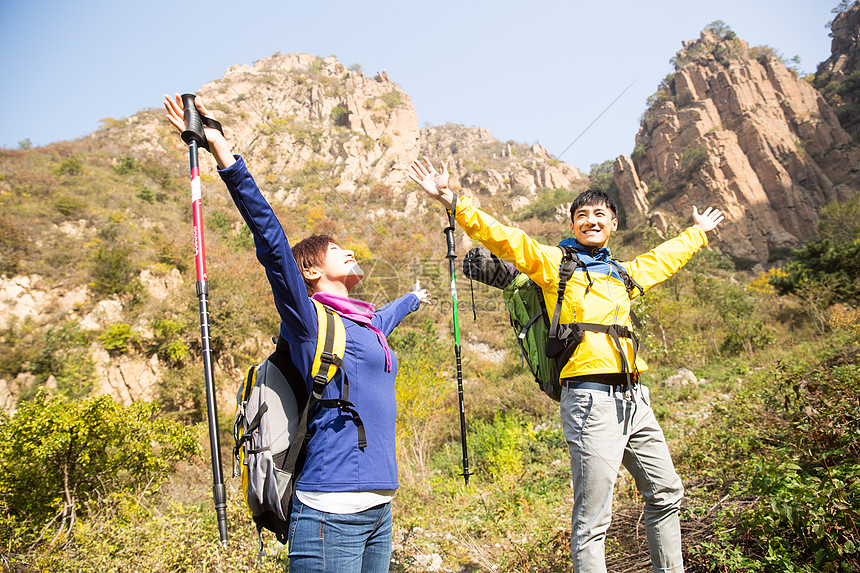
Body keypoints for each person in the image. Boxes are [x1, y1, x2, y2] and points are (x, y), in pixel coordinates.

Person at [410, 156, 724, 573]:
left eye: (599, 215)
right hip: (590, 401)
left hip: (635, 400)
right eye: (582, 216)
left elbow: (662, 260)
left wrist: (697, 233)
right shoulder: (555, 265)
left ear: (613, 224)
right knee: (594, 518)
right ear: (573, 225)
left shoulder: (623, 274)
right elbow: (505, 238)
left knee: (666, 493)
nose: (591, 220)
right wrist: (451, 200)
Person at [164, 94, 431, 572]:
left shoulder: (367, 325)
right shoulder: (309, 322)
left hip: (379, 511)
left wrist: (414, 298)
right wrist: (226, 157)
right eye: (337, 250)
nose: (350, 251)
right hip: (330, 513)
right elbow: (270, 241)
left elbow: (388, 315)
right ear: (309, 272)